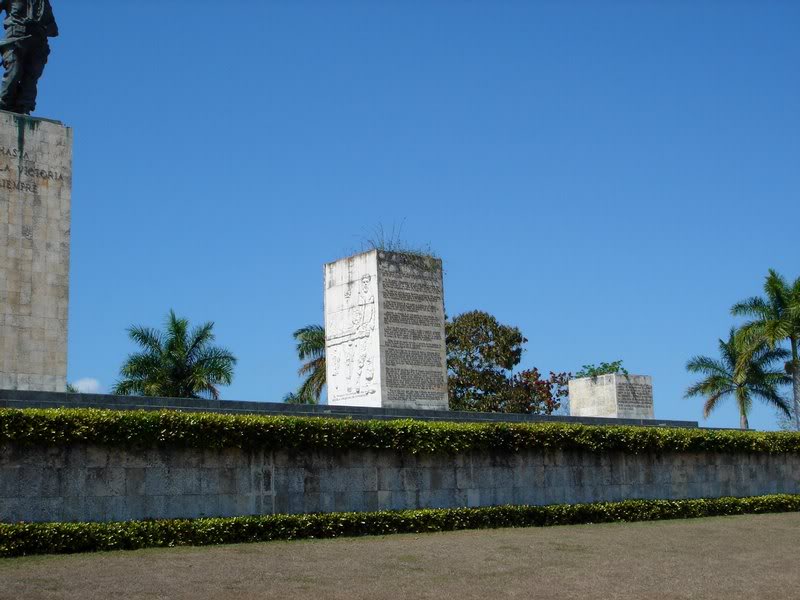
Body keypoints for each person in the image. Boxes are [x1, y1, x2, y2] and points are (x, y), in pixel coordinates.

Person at [0, 0, 58, 115]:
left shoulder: (43, 3)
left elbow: (54, 29)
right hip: (16, 38)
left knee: (31, 76)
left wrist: (44, 29)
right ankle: (4, 103)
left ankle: (24, 106)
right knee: (14, 71)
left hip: (38, 42)